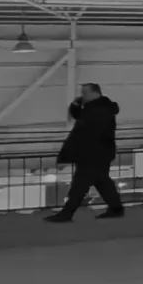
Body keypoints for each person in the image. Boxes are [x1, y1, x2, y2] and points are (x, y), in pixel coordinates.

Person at [47, 82, 125, 221]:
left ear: (95, 93)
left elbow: (83, 131)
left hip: (92, 153)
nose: (82, 95)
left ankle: (67, 213)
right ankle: (116, 208)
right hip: (100, 152)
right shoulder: (99, 108)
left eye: (85, 93)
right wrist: (76, 105)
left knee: (80, 185)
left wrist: (68, 154)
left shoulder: (98, 110)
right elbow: (80, 117)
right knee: (102, 182)